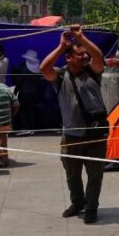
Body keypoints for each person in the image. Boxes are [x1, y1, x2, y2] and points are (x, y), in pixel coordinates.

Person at [41, 25, 107, 224]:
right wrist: (62, 47)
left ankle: (91, 207)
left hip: (96, 135)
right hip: (71, 136)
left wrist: (81, 38)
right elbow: (44, 68)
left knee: (95, 175)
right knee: (72, 175)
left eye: (85, 54)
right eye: (80, 55)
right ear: (69, 58)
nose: (85, 57)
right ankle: (77, 202)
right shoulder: (60, 76)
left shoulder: (94, 72)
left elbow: (98, 55)